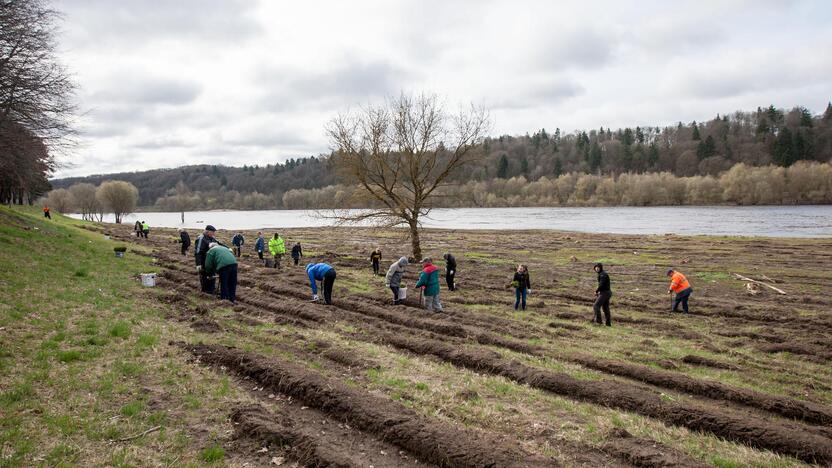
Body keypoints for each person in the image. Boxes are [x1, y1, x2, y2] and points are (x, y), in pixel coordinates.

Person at [195, 225, 221, 294]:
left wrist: (228, 248)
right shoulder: (201, 239)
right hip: (204, 262)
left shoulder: (212, 238)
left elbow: (219, 244)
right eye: (213, 232)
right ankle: (205, 292)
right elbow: (198, 252)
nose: (214, 234)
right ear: (208, 231)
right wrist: (198, 264)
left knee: (212, 276)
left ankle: (211, 290)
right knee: (205, 277)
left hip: (211, 262)